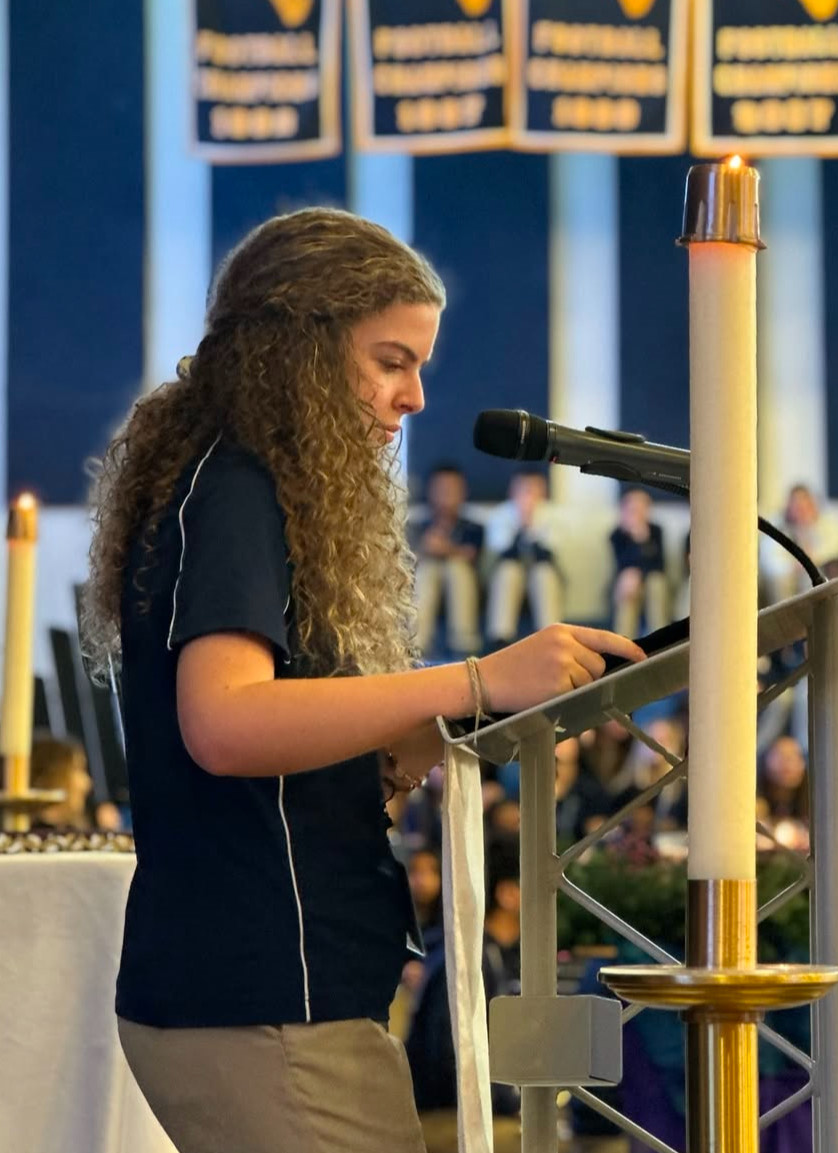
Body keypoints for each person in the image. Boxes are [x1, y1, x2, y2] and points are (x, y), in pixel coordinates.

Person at [80, 208, 644, 1153]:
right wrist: (470, 678)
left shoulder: (251, 484)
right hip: (264, 998)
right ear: (295, 350)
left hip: (275, 992)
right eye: (391, 360)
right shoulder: (237, 489)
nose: (414, 395)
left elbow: (293, 754)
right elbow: (223, 723)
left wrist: (468, 723)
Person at [409, 464, 483, 658]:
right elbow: (407, 563)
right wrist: (426, 549)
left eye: (452, 489)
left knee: (457, 568)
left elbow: (473, 557)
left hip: (464, 582)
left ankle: (463, 646)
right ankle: (416, 645)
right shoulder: (417, 526)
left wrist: (444, 549)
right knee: (427, 570)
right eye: (441, 489)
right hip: (427, 578)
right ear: (430, 491)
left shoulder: (473, 528)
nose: (446, 495)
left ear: (463, 492)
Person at [484, 470, 563, 646]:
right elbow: (504, 554)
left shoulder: (552, 514)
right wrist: (522, 525)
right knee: (509, 571)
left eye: (534, 488)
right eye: (523, 488)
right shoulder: (501, 514)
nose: (528, 494)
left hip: (542, 571)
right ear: (512, 490)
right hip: (508, 571)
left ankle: (550, 638)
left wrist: (530, 526)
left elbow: (547, 554)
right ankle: (500, 640)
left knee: (543, 574)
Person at [609, 486, 668, 637]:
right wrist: (635, 540)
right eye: (633, 508)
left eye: (643, 507)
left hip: (651, 584)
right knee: (627, 586)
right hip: (624, 587)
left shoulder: (656, 531)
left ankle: (659, 640)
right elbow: (621, 564)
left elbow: (659, 565)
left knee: (656, 582)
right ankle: (623, 645)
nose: (638, 513)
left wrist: (642, 539)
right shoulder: (617, 535)